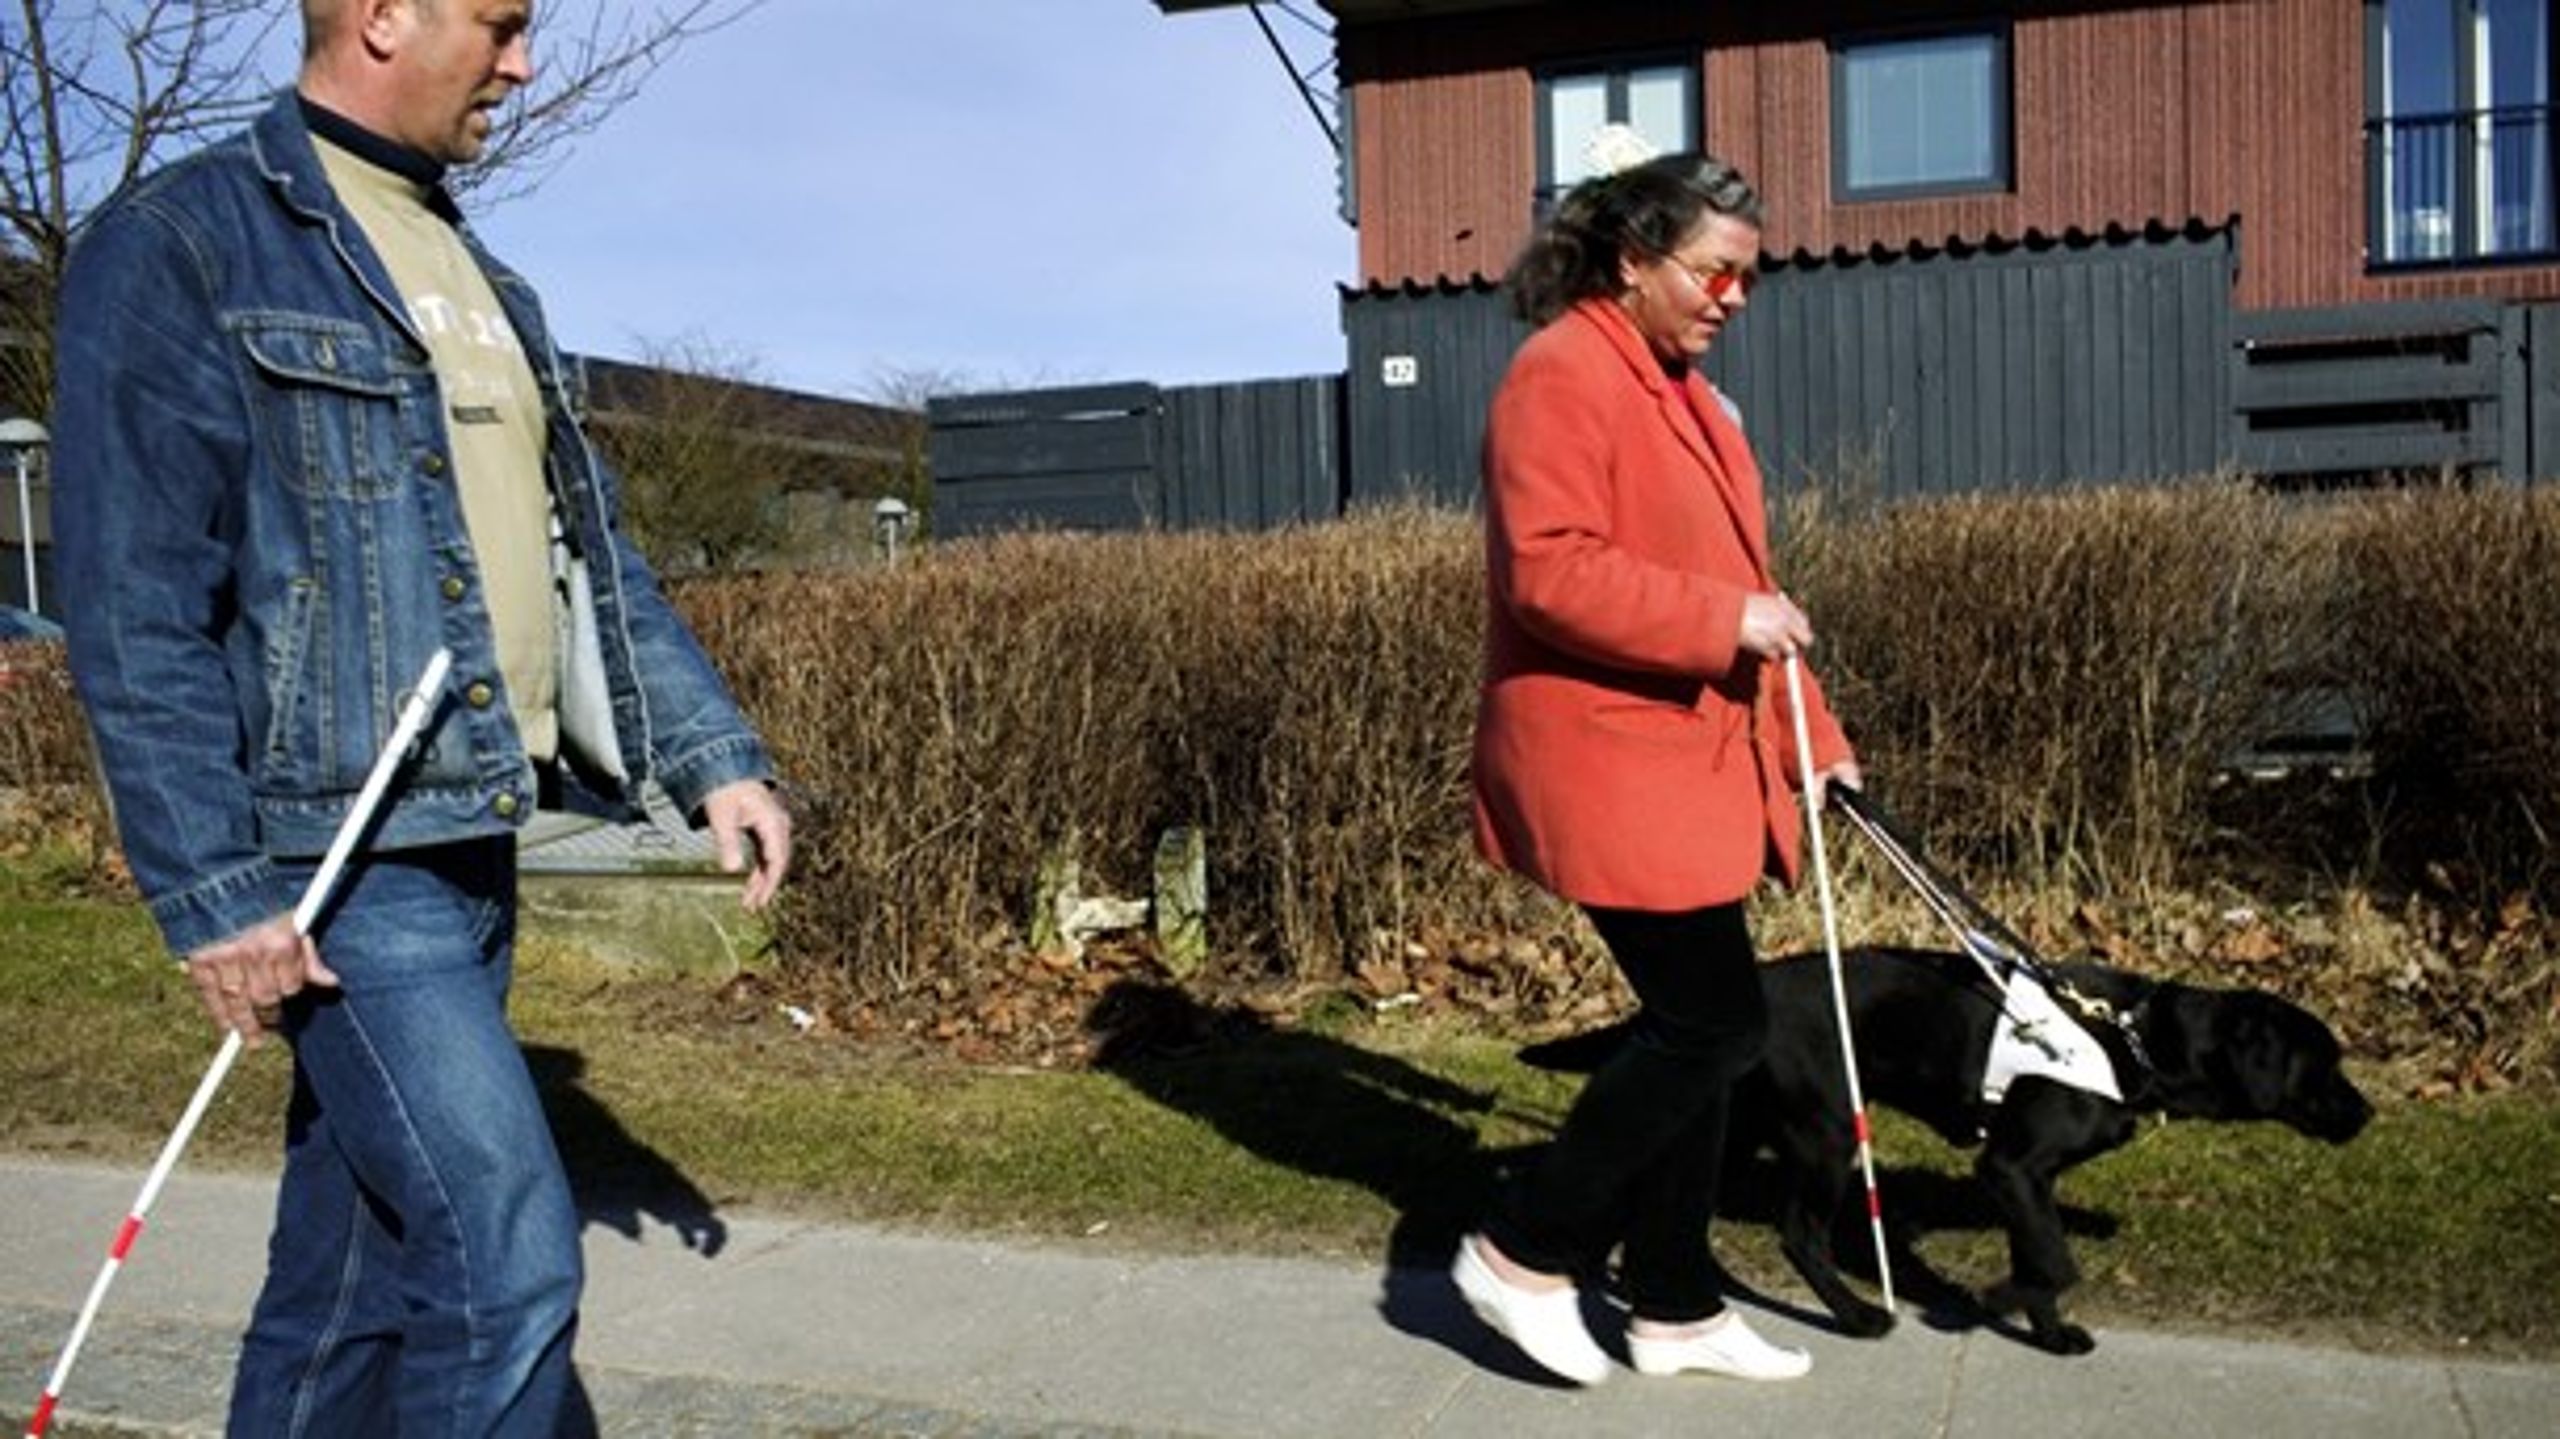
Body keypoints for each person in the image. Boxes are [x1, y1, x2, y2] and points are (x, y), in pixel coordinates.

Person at [51, 1, 792, 1432]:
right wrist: (211, 890)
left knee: (353, 1278)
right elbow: (134, 595)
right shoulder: (186, 242)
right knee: (505, 1261)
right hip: (341, 862)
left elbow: (591, 556)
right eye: (499, 23)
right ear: (382, 14)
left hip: (474, 834)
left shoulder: (485, 276)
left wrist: (715, 758)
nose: (524, 63)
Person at [1453, 146, 1860, 1387]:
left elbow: (1753, 599)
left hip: (1686, 765)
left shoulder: (1684, 394)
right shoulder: (1562, 373)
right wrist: (1719, 622)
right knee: (1715, 1023)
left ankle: (1675, 1305)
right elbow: (1550, 567)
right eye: (1714, 272)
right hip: (1603, 762)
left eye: (1747, 277)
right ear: (1634, 263)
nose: (1734, 297)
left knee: (1701, 1027)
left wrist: (1818, 748)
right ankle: (1523, 1250)